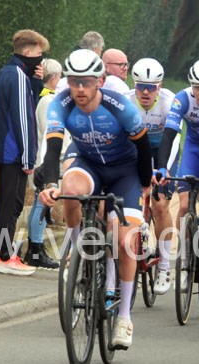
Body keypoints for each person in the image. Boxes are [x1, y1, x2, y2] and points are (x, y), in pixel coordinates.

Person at [38, 49, 152, 349]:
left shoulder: (119, 106)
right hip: (89, 164)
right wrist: (50, 184)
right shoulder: (60, 104)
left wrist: (145, 185)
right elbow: (53, 148)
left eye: (86, 82)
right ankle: (78, 255)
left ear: (99, 81)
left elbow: (143, 148)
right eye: (73, 81)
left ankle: (124, 317)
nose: (79, 89)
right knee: (70, 188)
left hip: (125, 171)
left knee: (125, 242)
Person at [156, 59, 199, 288]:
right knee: (184, 205)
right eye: (197, 87)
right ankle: (185, 259)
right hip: (193, 150)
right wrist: (162, 166)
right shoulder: (183, 98)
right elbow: (169, 134)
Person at [0, 29, 49, 276]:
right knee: (13, 204)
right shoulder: (19, 77)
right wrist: (28, 157)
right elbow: (24, 119)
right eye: (39, 54)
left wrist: (36, 83)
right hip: (14, 152)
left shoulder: (7, 72)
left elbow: (26, 105)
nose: (41, 60)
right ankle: (4, 255)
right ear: (28, 52)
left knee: (4, 202)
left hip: (5, 149)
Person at [127, 58, 178, 295]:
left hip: (162, 151)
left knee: (160, 204)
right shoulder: (126, 101)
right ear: (134, 84)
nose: (145, 92)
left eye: (151, 87)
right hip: (137, 151)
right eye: (141, 86)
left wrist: (164, 168)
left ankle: (164, 266)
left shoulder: (169, 102)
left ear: (160, 86)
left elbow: (174, 140)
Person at [24, 58, 64, 269]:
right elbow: (50, 135)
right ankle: (35, 248)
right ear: (55, 77)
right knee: (42, 204)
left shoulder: (46, 98)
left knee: (40, 205)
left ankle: (36, 247)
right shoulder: (48, 101)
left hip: (44, 158)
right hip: (45, 160)